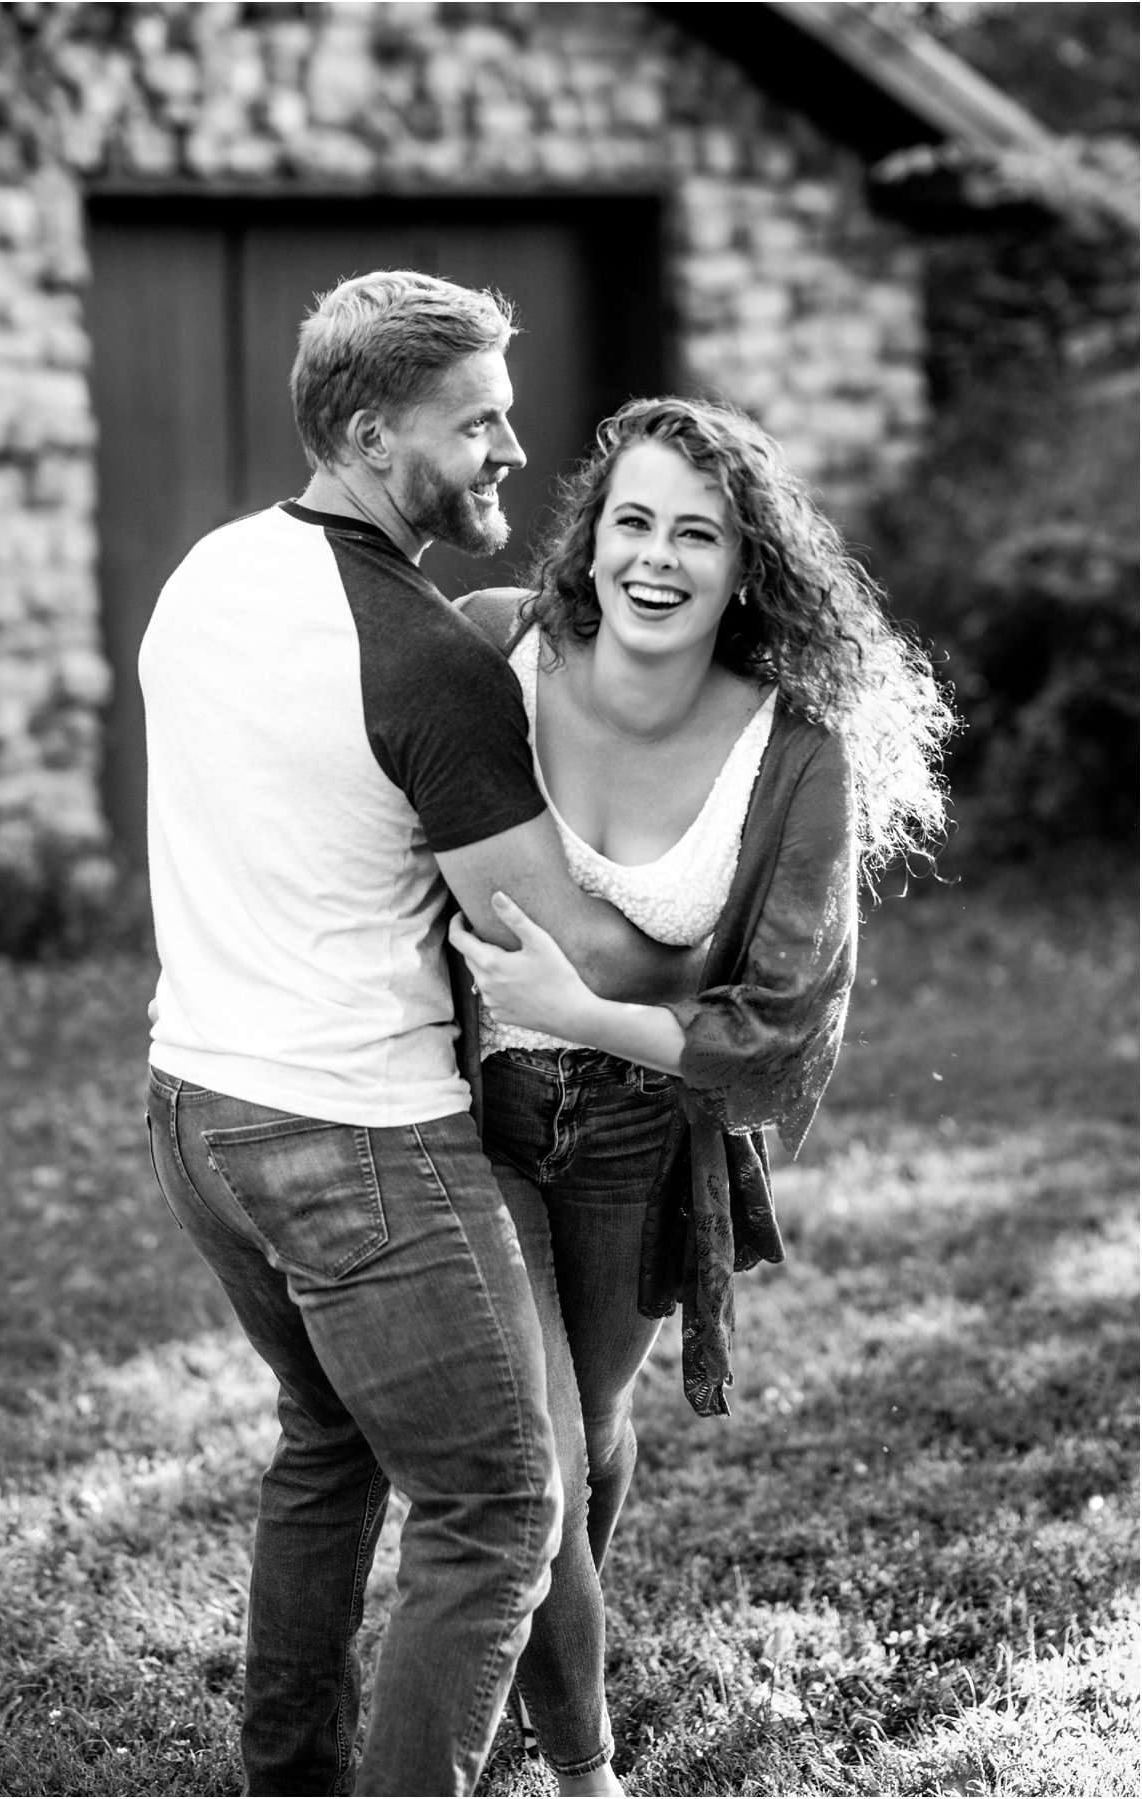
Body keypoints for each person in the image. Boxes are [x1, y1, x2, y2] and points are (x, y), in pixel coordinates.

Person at [138, 270, 697, 1797]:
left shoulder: (204, 574)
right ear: (376, 433)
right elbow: (560, 942)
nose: (512, 448)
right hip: (355, 1139)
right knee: (501, 1504)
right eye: (479, 422)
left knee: (325, 1445)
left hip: (196, 1108)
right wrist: (731, 932)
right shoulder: (423, 658)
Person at [447, 397, 951, 1792]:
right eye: (629, 522)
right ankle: (584, 1767)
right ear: (586, 540)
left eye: (695, 532)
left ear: (744, 569)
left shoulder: (791, 749)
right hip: (457, 1113)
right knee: (526, 1455)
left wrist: (584, 1011)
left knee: (588, 1430)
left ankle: (502, 1687)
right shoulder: (496, 643)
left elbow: (779, 1023)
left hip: (631, 1135)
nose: (653, 558)